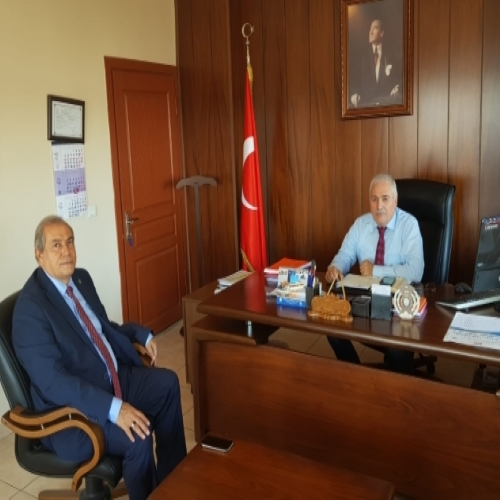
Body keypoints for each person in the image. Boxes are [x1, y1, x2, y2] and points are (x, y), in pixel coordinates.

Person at [12, 215, 186, 500]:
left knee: (167, 384)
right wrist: (114, 409)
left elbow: (103, 328)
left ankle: (174, 484)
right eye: (56, 245)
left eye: (70, 242)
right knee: (138, 435)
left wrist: (139, 334)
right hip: (73, 412)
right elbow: (54, 382)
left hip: (110, 379)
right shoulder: (30, 310)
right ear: (39, 255)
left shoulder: (80, 278)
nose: (66, 251)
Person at [325, 174, 424, 372]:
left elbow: (416, 270)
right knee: (332, 328)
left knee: (396, 350)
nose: (379, 206)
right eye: (374, 199)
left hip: (398, 302)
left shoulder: (409, 225)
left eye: (385, 199)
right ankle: (356, 376)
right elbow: (345, 254)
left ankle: (397, 386)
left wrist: (375, 270)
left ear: (395, 200)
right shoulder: (361, 225)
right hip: (366, 298)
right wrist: (335, 267)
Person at [350, 19, 402, 108]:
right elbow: (354, 79)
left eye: (375, 28)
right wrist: (354, 93)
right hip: (365, 104)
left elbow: (398, 77)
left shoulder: (391, 54)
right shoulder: (361, 54)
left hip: (385, 105)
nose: (370, 32)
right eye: (370, 29)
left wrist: (397, 88)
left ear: (382, 33)